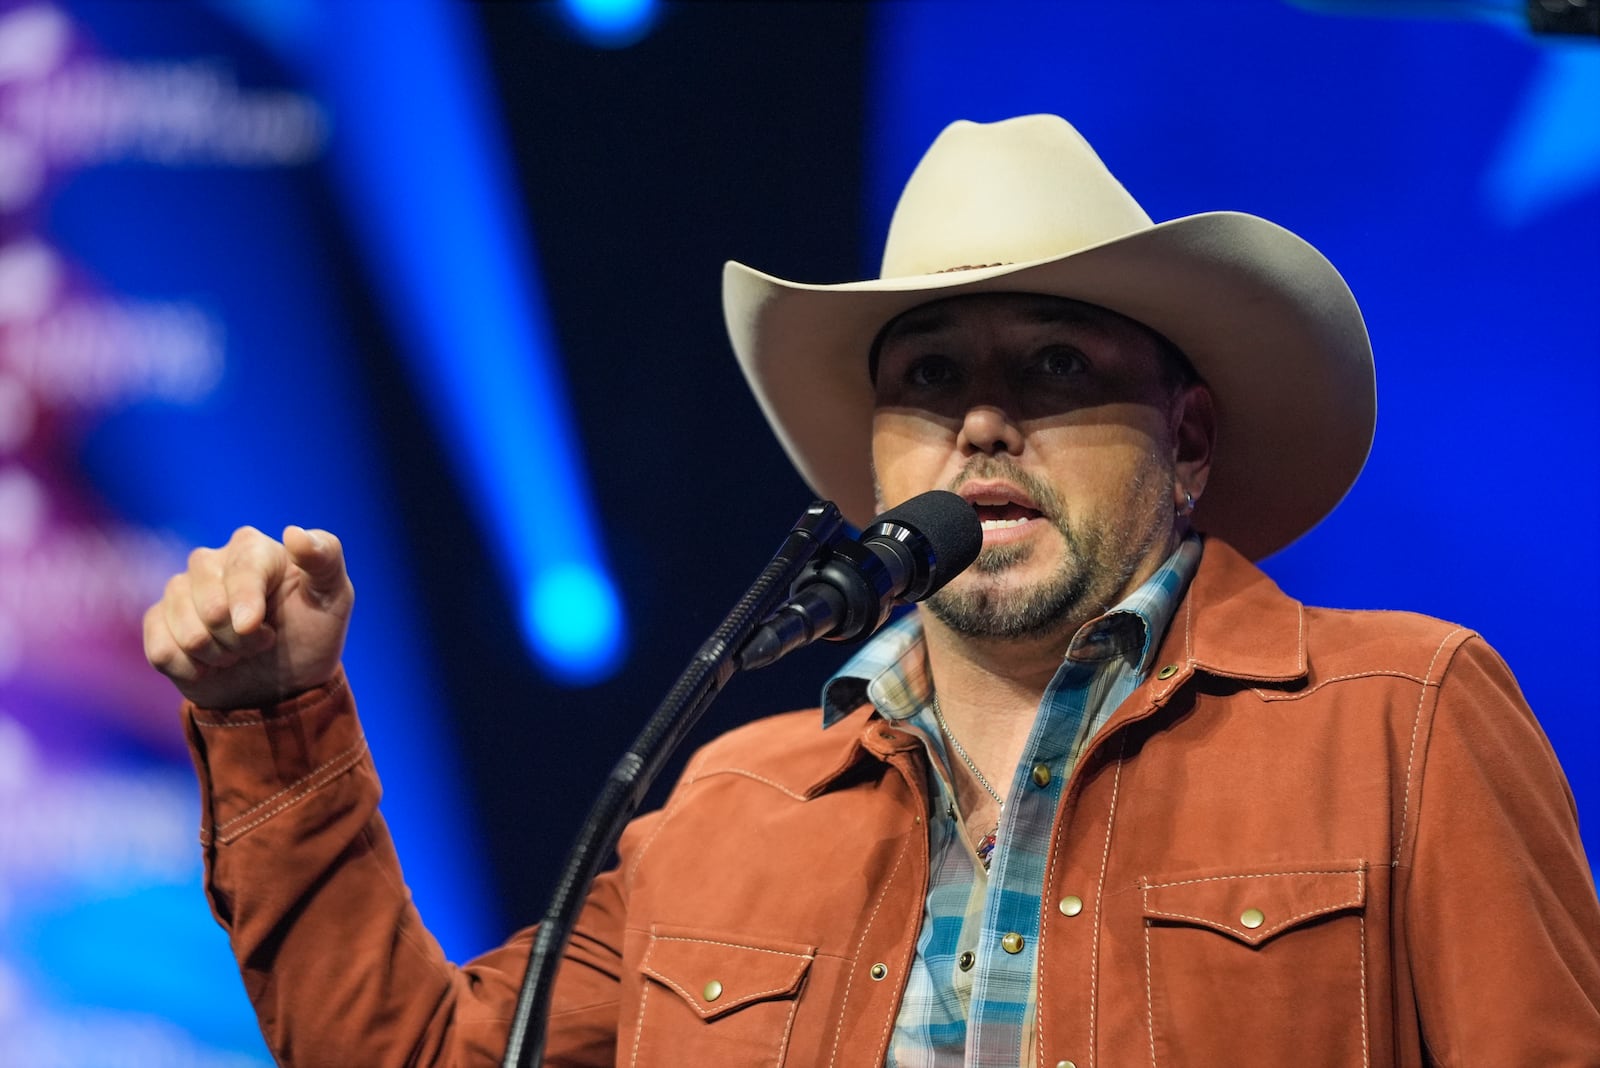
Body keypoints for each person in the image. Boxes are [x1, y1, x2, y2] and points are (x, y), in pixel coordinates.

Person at [144, 115, 1600, 1066]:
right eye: (929, 380)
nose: (981, 423)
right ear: (878, 459)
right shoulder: (729, 806)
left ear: (1192, 440)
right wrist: (276, 717)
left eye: (1054, 367)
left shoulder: (1402, 719)